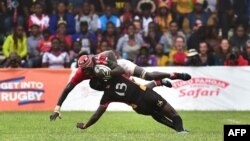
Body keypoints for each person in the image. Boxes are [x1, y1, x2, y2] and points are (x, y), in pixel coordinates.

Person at [49, 50, 191, 120]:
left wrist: (112, 71)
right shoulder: (81, 73)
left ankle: (173, 75)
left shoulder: (99, 59)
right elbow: (68, 88)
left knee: (147, 75)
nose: (86, 71)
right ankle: (159, 83)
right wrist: (57, 108)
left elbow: (111, 53)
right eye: (84, 70)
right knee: (137, 96)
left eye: (88, 68)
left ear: (92, 62)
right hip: (113, 78)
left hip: (120, 67)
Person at [76, 75, 189, 133]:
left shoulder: (106, 96)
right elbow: (141, 88)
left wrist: (86, 125)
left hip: (139, 107)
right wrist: (158, 82)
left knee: (156, 114)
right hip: (148, 96)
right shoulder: (116, 75)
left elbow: (96, 115)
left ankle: (180, 130)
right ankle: (181, 131)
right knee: (171, 112)